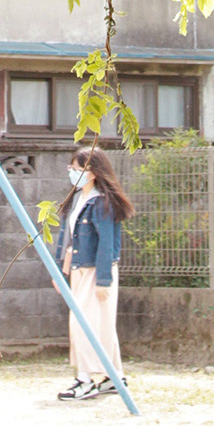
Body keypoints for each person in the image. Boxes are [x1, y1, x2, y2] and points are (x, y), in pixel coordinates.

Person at [53, 146, 133, 401]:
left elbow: (107, 243)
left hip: (95, 271)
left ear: (93, 172)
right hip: (79, 270)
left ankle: (86, 380)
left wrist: (103, 280)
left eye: (78, 170)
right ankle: (114, 377)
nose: (74, 174)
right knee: (101, 325)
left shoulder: (101, 202)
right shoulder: (78, 199)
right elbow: (67, 239)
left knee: (84, 325)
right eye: (72, 169)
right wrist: (60, 272)